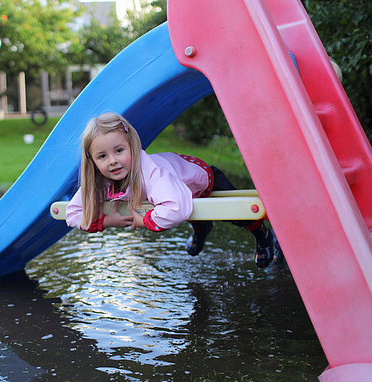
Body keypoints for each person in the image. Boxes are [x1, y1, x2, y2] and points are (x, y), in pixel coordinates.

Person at [65, 112, 280, 269]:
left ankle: (262, 234)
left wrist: (145, 221)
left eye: (119, 151)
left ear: (132, 146)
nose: (112, 161)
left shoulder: (151, 173)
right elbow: (72, 214)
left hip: (202, 180)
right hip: (179, 191)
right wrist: (106, 222)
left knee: (238, 215)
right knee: (191, 213)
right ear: (92, 161)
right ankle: (201, 229)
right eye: (102, 156)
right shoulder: (101, 181)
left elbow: (176, 208)